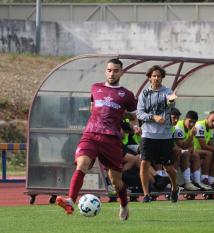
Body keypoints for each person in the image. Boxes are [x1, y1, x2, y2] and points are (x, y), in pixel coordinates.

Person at [56, 58, 137, 221]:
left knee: (116, 181)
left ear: (121, 72)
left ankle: (124, 204)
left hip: (111, 139)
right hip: (91, 134)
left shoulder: (127, 95)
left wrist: (133, 126)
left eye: (115, 70)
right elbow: (94, 107)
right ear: (105, 71)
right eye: (109, 70)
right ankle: (71, 200)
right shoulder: (95, 87)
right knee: (82, 164)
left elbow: (134, 116)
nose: (111, 73)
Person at [136, 65, 179, 203]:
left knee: (168, 167)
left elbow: (171, 102)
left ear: (162, 77)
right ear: (149, 78)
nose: (156, 78)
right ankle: (146, 194)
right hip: (148, 135)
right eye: (154, 76)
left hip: (164, 136)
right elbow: (139, 113)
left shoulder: (167, 91)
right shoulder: (144, 94)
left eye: (159, 76)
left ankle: (174, 187)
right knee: (144, 163)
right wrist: (153, 117)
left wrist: (171, 101)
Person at [173, 110, 211, 190]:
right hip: (173, 151)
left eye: (194, 122)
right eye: (190, 121)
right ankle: (181, 183)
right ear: (184, 119)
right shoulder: (178, 127)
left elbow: (191, 146)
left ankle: (197, 182)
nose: (191, 124)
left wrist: (188, 147)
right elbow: (181, 144)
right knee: (183, 153)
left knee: (195, 154)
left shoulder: (191, 128)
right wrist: (191, 137)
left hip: (182, 150)